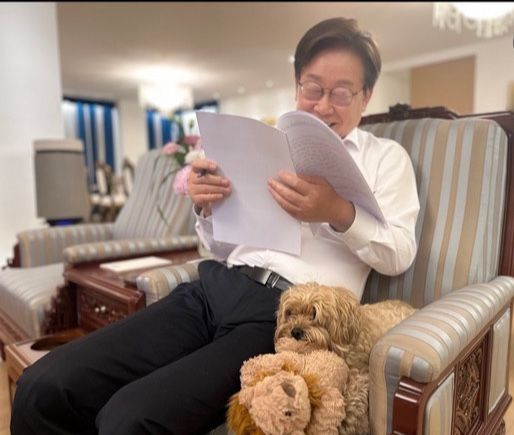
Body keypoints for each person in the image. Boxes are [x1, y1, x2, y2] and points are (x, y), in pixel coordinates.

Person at [11, 17, 419, 435]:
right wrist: (207, 208)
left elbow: (400, 253)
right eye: (312, 89)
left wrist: (337, 210)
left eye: (341, 93)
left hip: (283, 318)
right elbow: (220, 248)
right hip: (214, 287)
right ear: (297, 86)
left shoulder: (385, 158)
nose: (323, 105)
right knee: (41, 387)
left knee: (128, 419)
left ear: (366, 96)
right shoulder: (265, 145)